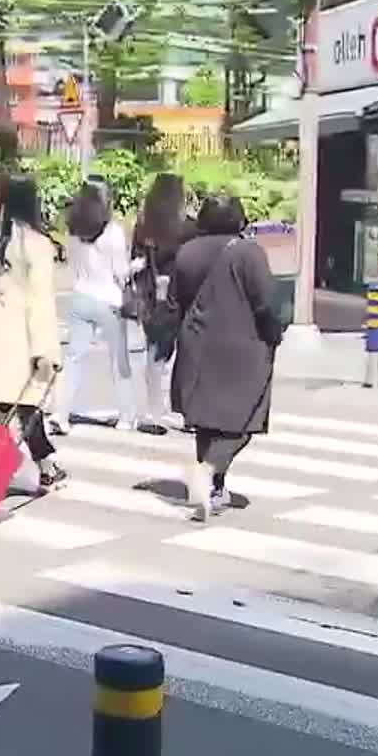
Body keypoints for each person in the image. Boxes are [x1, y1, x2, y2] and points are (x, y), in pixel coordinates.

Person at [171, 195, 284, 522]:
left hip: (196, 342)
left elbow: (177, 300)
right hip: (241, 346)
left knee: (205, 421)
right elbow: (265, 302)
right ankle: (208, 472)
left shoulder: (187, 251)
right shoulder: (247, 251)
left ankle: (214, 487)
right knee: (242, 420)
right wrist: (274, 333)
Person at [0, 174, 68, 491]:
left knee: (11, 404)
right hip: (21, 334)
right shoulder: (36, 243)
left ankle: (46, 466)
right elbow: (40, 300)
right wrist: (46, 348)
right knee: (21, 403)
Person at [53, 178, 137, 436]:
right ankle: (126, 416)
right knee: (118, 359)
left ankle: (60, 413)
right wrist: (138, 266)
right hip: (108, 301)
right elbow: (120, 273)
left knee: (73, 358)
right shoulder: (112, 232)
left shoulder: (74, 229)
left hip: (80, 296)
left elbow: (73, 265)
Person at [131, 173, 195, 434]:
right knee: (184, 353)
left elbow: (136, 259)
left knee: (154, 354)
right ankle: (180, 408)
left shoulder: (143, 226)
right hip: (180, 294)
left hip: (150, 294)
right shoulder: (187, 227)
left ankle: (153, 409)